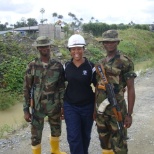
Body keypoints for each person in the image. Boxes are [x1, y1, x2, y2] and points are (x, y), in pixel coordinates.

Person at [95, 30, 136, 154]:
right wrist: (94, 110)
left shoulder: (125, 61)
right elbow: (97, 88)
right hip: (101, 111)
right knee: (104, 141)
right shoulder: (100, 63)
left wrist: (129, 114)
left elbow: (131, 89)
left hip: (117, 109)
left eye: (112, 42)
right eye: (106, 42)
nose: (109, 44)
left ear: (117, 42)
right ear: (103, 44)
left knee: (119, 143)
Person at [23, 36, 66, 154]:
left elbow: (61, 87)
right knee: (36, 134)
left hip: (54, 105)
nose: (44, 48)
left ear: (50, 46)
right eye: (41, 46)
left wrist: (63, 106)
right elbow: (26, 88)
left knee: (56, 129)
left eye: (46, 46)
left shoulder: (57, 65)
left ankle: (55, 150)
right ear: (38, 48)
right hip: (37, 106)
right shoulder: (32, 65)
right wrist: (26, 110)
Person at [63, 34, 97, 154]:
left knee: (85, 135)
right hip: (70, 106)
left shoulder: (91, 67)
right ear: (70, 51)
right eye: (73, 49)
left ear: (83, 49)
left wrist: (95, 108)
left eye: (79, 48)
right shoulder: (66, 66)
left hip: (88, 106)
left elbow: (98, 87)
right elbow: (60, 86)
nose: (76, 51)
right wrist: (61, 107)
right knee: (73, 136)